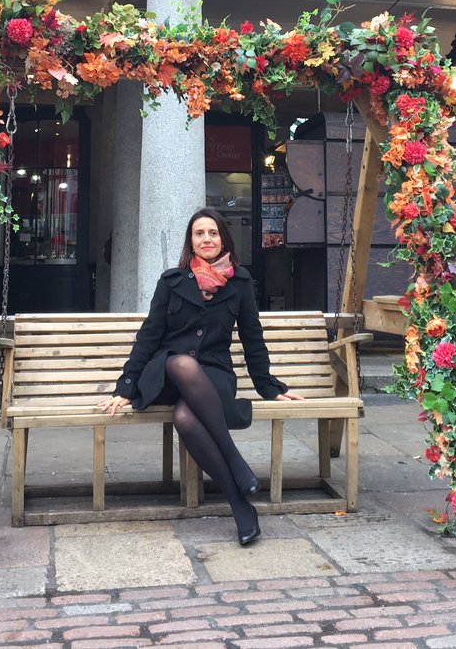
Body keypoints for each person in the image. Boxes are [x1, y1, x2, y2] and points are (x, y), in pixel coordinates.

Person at [97, 207, 304, 545]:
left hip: (215, 376)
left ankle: (240, 505)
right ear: (191, 242)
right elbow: (149, 336)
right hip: (166, 373)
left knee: (185, 418)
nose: (206, 238)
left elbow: (253, 337)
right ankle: (237, 463)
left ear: (223, 239)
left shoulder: (240, 282)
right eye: (199, 233)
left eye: (213, 233)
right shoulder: (172, 281)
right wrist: (127, 385)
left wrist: (269, 387)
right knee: (181, 363)